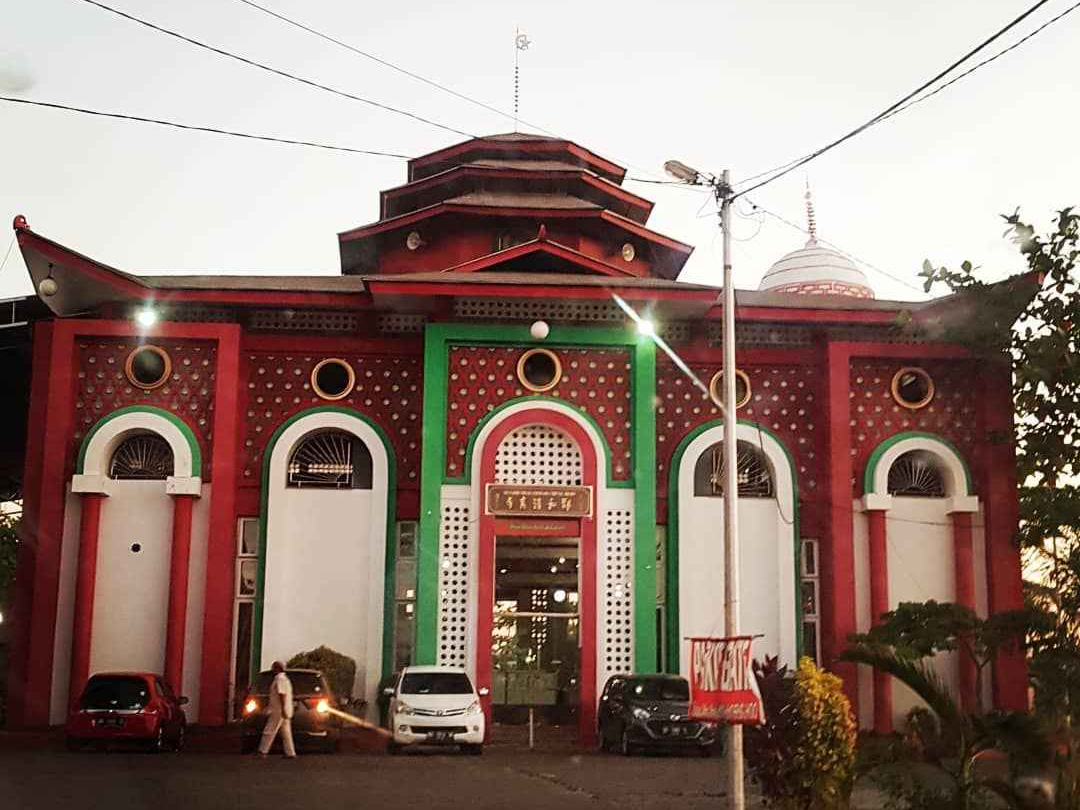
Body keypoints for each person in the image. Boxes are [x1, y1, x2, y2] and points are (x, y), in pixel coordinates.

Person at [257, 661, 296, 759]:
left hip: (278, 710)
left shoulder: (280, 679)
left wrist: (282, 709)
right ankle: (290, 752)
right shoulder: (286, 679)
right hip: (284, 709)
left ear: (277, 669)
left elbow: (281, 694)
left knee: (270, 729)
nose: (272, 670)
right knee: (286, 732)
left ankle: (262, 751)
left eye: (273, 668)